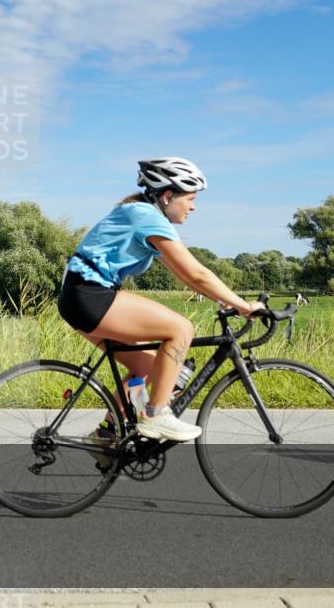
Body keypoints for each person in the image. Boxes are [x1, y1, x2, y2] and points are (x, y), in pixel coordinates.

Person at [57, 157, 265, 445]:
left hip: (80, 297)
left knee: (149, 368)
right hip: (89, 295)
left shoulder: (144, 217)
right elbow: (196, 273)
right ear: (168, 196)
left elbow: (186, 276)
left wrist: (223, 300)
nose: (193, 206)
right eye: (190, 199)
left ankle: (105, 436)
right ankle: (156, 414)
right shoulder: (145, 216)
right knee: (181, 329)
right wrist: (243, 305)